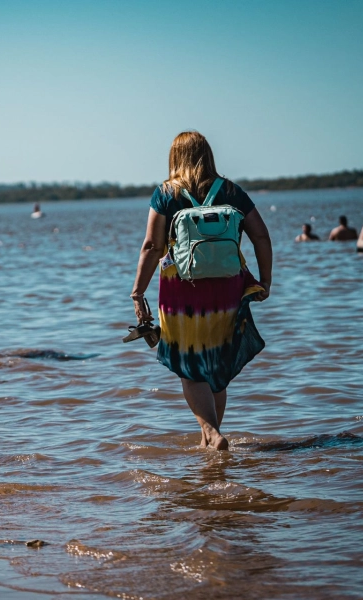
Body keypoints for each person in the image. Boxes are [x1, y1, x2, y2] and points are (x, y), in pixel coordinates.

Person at [130, 131, 272, 451]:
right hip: (229, 288)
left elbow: (152, 246)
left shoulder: (166, 193)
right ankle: (211, 438)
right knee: (216, 366)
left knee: (190, 366)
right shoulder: (232, 191)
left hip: (182, 291)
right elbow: (261, 237)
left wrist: (138, 292)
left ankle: (211, 432)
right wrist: (266, 280)